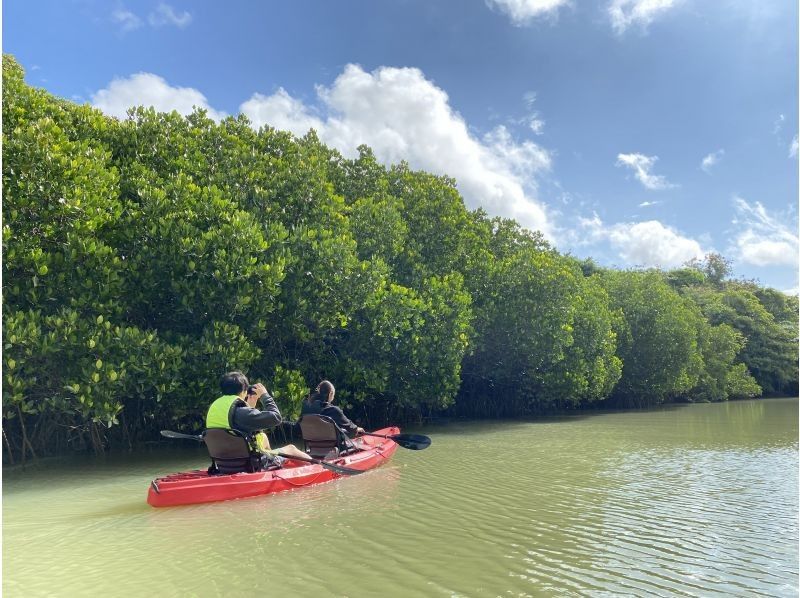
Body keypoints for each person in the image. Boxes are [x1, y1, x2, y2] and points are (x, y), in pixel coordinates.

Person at [206, 371, 308, 466]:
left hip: (223, 464)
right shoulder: (242, 412)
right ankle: (320, 469)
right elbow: (276, 417)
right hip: (249, 464)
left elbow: (236, 427)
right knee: (291, 449)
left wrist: (250, 408)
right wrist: (265, 395)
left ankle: (275, 464)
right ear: (243, 391)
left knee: (263, 437)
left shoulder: (214, 407)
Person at [301, 380, 365, 439]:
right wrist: (357, 429)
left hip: (312, 444)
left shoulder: (305, 408)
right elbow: (350, 428)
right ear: (331, 393)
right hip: (331, 446)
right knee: (349, 432)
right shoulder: (333, 410)